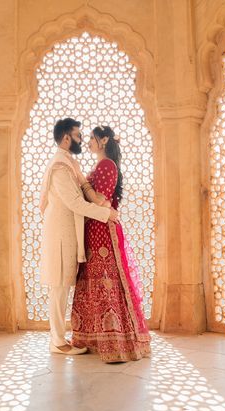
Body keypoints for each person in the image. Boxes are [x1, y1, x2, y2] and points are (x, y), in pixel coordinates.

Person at [70, 125, 151, 362]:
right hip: (94, 226)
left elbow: (101, 201)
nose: (88, 143)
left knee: (105, 280)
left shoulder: (107, 165)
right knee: (95, 280)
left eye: (92, 139)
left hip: (103, 230)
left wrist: (80, 178)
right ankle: (97, 339)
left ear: (104, 140)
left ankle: (116, 342)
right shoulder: (101, 165)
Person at [39, 118, 119, 355]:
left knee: (61, 286)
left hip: (67, 234)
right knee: (58, 287)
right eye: (78, 135)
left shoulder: (69, 163)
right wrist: (106, 213)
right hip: (61, 235)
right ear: (66, 138)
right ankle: (57, 341)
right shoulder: (60, 167)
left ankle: (58, 338)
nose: (82, 139)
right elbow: (75, 203)